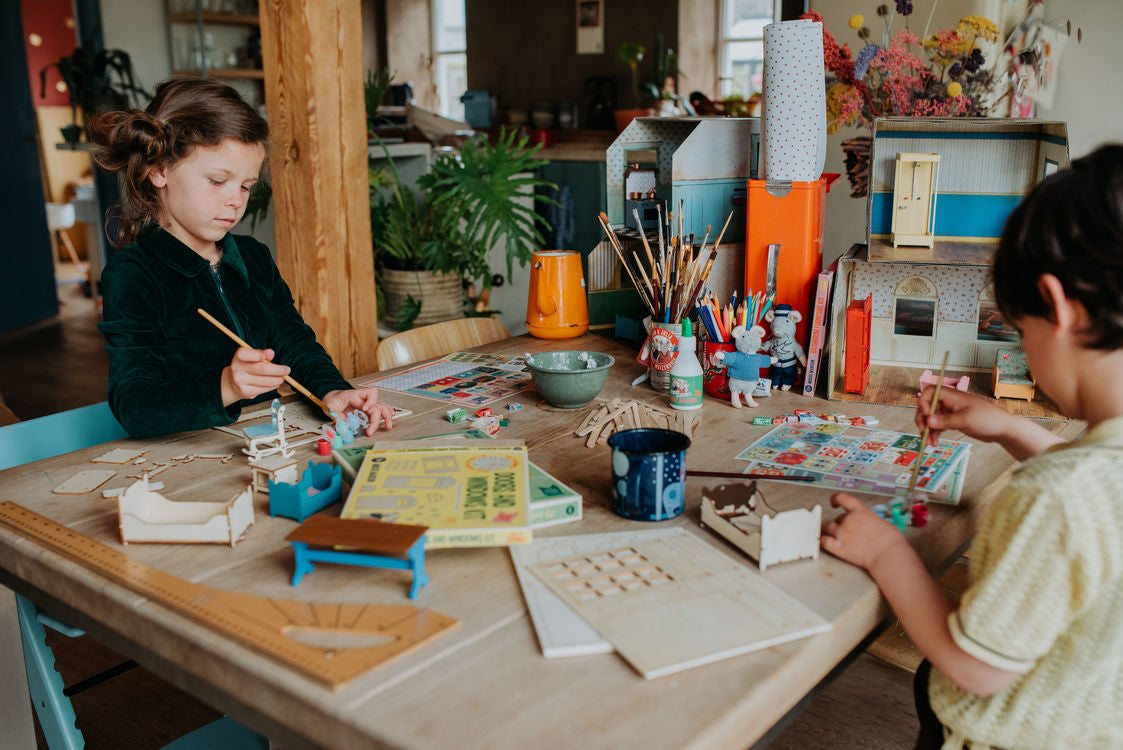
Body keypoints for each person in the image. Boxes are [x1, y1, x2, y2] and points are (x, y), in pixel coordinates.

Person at [821, 145, 1123, 749]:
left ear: (1058, 309)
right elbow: (1102, 499)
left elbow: (976, 667)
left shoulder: (1054, 497)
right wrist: (1009, 427)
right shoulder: (1088, 479)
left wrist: (888, 555)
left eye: (1021, 329)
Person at [90, 78, 396, 439]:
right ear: (159, 171)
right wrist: (226, 385)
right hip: (186, 457)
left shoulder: (253, 256)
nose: (235, 200)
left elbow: (294, 342)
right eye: (218, 181)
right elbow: (135, 406)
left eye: (246, 186)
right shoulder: (133, 275)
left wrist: (333, 391)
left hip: (266, 439)